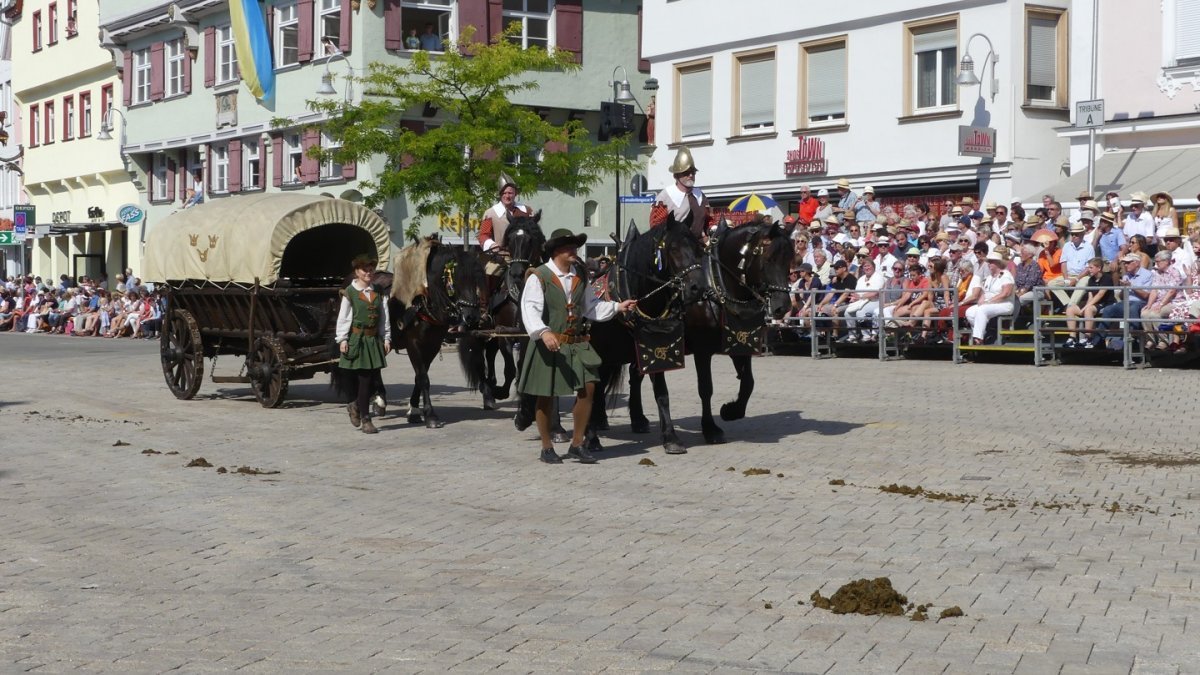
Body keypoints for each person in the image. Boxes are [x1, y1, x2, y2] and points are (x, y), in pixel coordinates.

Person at [519, 229, 636, 464]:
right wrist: (543, 332)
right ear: (556, 251)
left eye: (575, 247)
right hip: (549, 343)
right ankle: (547, 447)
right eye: (569, 247)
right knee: (546, 396)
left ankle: (577, 443)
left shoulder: (580, 275)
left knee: (589, 387)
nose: (575, 251)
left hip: (576, 343)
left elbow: (591, 307)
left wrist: (617, 307)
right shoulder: (539, 276)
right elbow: (529, 308)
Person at [335, 254, 392, 434]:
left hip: (372, 340)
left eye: (371, 269)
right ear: (357, 272)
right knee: (357, 377)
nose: (369, 272)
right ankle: (359, 411)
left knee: (368, 378)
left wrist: (386, 338)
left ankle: (362, 414)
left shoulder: (379, 292)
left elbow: (384, 318)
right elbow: (344, 318)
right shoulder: (350, 292)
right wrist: (342, 339)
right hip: (356, 339)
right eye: (364, 270)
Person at [650, 147, 709, 241]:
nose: (691, 175)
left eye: (693, 172)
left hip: (698, 244)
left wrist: (710, 232)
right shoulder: (664, 197)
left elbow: (709, 219)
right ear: (676, 175)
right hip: (675, 246)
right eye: (686, 173)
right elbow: (656, 227)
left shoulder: (700, 195)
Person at [964, 251, 1014, 345]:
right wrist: (982, 299)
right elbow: (984, 292)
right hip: (990, 304)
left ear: (998, 263)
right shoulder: (989, 277)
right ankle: (984, 332)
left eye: (991, 262)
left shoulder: (1006, 275)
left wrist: (990, 301)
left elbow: (1006, 293)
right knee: (970, 312)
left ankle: (978, 338)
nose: (989, 264)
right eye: (989, 262)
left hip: (1005, 304)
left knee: (982, 310)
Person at [1064, 258, 1114, 348]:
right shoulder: (1091, 280)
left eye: (1091, 268)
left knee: (1088, 309)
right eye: (1088, 267)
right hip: (1093, 304)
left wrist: (1085, 307)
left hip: (1105, 304)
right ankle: (1072, 338)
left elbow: (1100, 295)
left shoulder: (1107, 278)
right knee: (1070, 309)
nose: (1089, 270)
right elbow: (1090, 296)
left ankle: (1088, 338)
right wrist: (1085, 306)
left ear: (1099, 268)